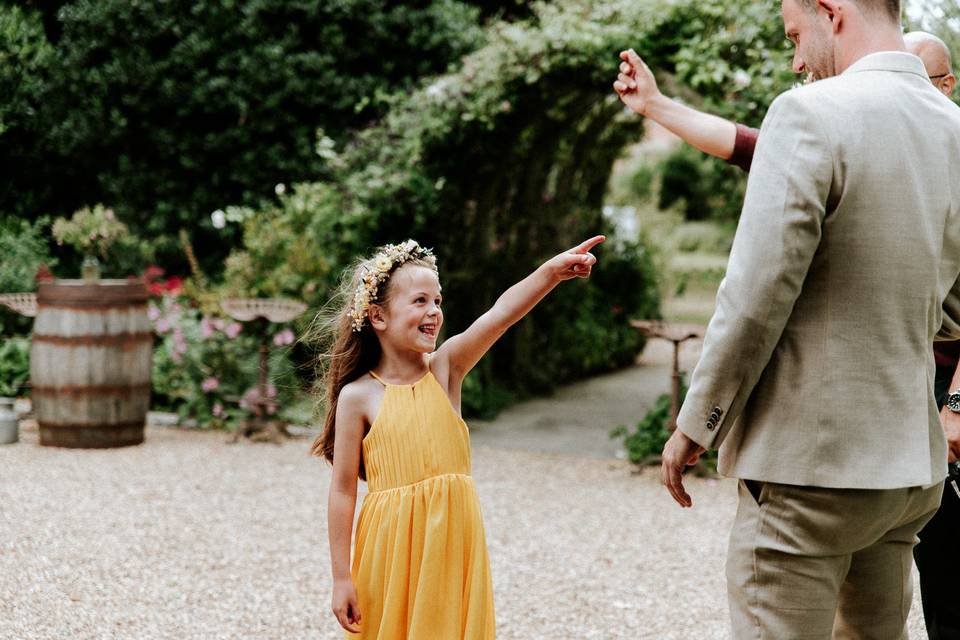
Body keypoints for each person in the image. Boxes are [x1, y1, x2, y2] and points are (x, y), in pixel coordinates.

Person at [617, 0, 960, 636]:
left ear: (832, 13)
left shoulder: (807, 112)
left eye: (795, 36)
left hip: (808, 473)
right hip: (908, 473)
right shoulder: (953, 129)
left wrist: (698, 420)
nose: (797, 60)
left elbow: (756, 293)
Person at [314, 236, 604, 638]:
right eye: (420, 301)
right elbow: (343, 490)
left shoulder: (445, 369)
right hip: (390, 551)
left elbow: (500, 315)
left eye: (438, 301)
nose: (434, 312)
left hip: (452, 544)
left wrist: (550, 273)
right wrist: (341, 577)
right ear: (378, 316)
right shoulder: (358, 396)